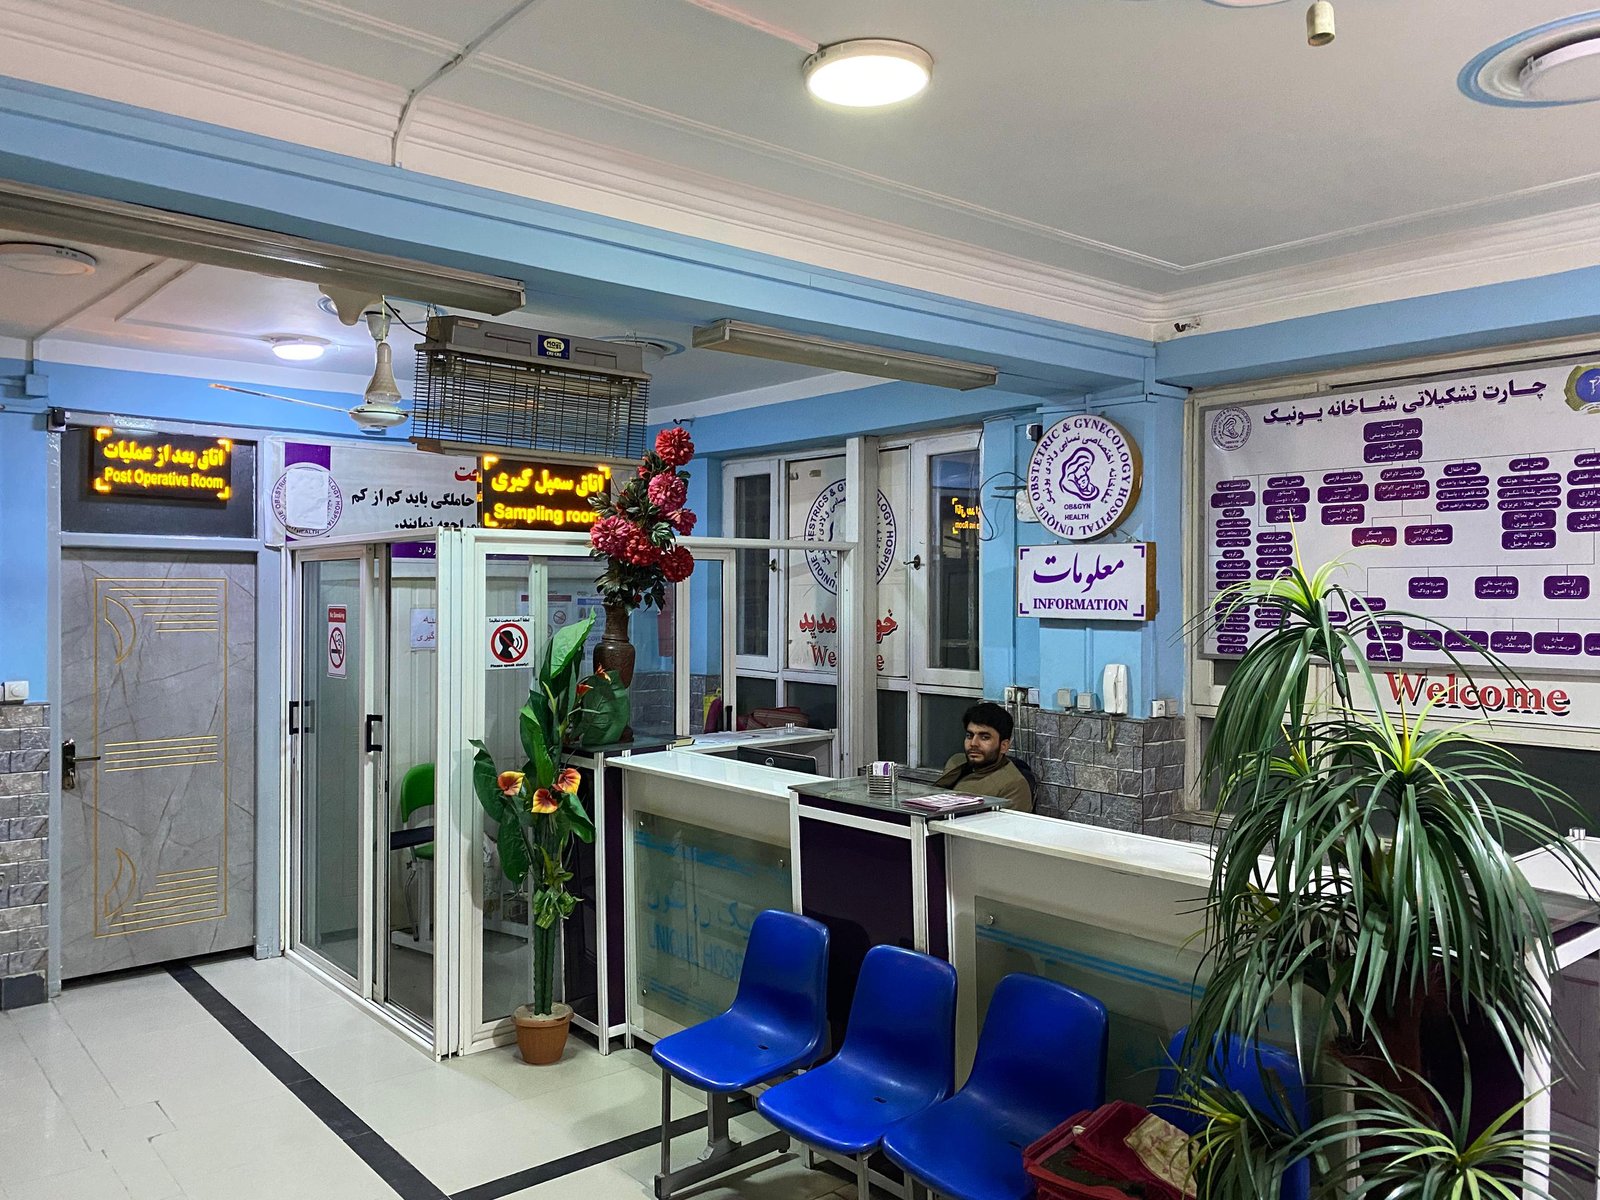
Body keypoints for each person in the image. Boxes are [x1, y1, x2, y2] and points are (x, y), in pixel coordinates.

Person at [936, 701, 1033, 812]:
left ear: (1004, 746)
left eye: (985, 737)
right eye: (969, 735)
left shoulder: (1014, 786)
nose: (973, 743)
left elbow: (1009, 823)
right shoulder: (956, 762)